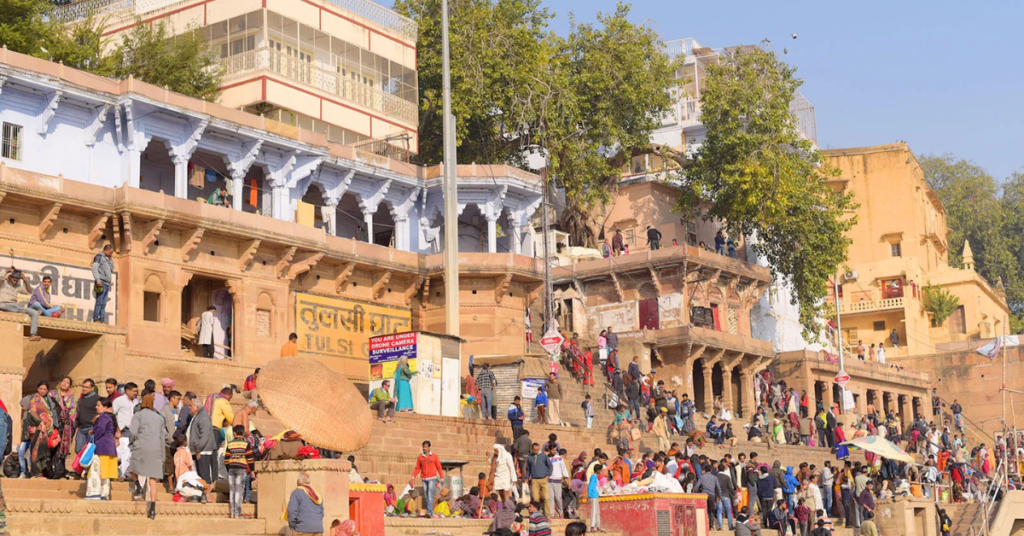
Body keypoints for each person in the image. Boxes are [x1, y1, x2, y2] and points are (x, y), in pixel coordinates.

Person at [129, 393, 167, 519]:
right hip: (155, 449)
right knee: (153, 480)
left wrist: (133, 441)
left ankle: (138, 486)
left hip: (141, 446)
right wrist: (162, 457)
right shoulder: (159, 418)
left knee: (132, 468)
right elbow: (162, 438)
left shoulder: (138, 415)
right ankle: (152, 509)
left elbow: (133, 432)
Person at [84, 397, 118, 500]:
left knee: (96, 471)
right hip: (109, 448)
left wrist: (94, 432)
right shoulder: (110, 417)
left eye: (98, 405)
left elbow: (101, 429)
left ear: (105, 407)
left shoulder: (103, 417)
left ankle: (94, 493)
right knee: (105, 472)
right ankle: (104, 494)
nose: (96, 407)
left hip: (101, 447)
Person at [188, 398, 217, 503]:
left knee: (205, 474)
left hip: (204, 450)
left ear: (196, 407)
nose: (189, 408)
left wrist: (199, 449)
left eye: (191, 406)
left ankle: (207, 495)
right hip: (200, 450)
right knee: (200, 473)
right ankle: (203, 494)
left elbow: (204, 435)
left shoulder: (203, 417)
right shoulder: (198, 416)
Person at [0, 268, 41, 341]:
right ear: (10, 277)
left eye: (17, 280)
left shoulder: (18, 287)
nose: (15, 282)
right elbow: (1, 277)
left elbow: (29, 292)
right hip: (3, 304)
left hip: (14, 306)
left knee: (34, 312)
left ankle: (33, 334)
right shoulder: (3, 283)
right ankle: (16, 311)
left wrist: (25, 280)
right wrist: (7, 271)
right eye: (14, 280)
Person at [225, 424, 254, 518]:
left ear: (234, 433)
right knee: (239, 491)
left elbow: (226, 459)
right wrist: (252, 470)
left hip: (231, 468)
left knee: (232, 490)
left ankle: (232, 513)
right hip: (241, 468)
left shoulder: (230, 444)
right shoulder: (246, 444)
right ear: (243, 433)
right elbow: (249, 458)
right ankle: (237, 513)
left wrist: (228, 468)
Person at [112, 382, 137, 478]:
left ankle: (127, 474)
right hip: (123, 430)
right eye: (134, 391)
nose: (135, 393)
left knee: (130, 453)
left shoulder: (136, 402)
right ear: (127, 391)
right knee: (122, 452)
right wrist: (117, 430)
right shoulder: (119, 400)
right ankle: (120, 474)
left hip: (133, 431)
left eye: (136, 391)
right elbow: (113, 415)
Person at [49, 376, 76, 461]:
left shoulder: (71, 397)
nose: (64, 383)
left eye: (67, 383)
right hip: (52, 423)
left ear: (69, 386)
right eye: (63, 381)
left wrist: (65, 418)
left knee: (61, 446)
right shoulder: (51, 394)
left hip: (65, 425)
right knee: (51, 444)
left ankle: (60, 468)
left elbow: (72, 411)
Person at [411, 440, 443, 511]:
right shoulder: (420, 457)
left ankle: (429, 511)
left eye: (425, 447)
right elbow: (417, 468)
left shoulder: (434, 456)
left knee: (429, 494)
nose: (424, 448)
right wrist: (413, 477)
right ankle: (430, 510)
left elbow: (439, 467)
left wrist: (442, 478)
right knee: (426, 495)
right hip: (424, 479)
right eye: (423, 447)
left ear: (429, 447)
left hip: (432, 478)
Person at [527, 443, 552, 517]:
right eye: (534, 450)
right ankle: (537, 515)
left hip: (543, 479)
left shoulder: (543, 456)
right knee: (535, 499)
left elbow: (550, 465)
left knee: (546, 498)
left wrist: (548, 475)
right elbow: (528, 469)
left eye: (537, 450)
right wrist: (526, 478)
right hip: (534, 480)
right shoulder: (529, 457)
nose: (536, 451)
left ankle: (547, 515)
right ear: (532, 449)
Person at [75, 379, 99, 455]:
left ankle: (88, 467)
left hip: (91, 428)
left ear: (92, 388)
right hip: (81, 429)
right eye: (83, 387)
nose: (84, 389)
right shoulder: (81, 399)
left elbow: (101, 413)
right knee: (78, 450)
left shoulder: (97, 398)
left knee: (90, 451)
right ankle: (83, 466)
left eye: (86, 387)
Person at [91, 244, 114, 323]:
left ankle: (102, 320)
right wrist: (98, 280)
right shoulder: (98, 257)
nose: (111, 254)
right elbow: (94, 269)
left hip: (107, 284)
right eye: (110, 252)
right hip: (101, 282)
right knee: (99, 302)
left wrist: (110, 259)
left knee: (103, 304)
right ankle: (96, 319)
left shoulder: (106, 259)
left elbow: (111, 269)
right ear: (106, 250)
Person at [549, 446, 569, 519]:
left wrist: (566, 478)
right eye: (552, 450)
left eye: (555, 450)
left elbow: (563, 468)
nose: (554, 451)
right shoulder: (547, 458)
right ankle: (551, 514)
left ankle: (560, 513)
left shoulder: (560, 459)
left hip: (557, 480)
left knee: (558, 498)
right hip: (549, 480)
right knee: (550, 498)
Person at [716, 463, 736, 530]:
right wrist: (734, 494)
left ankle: (720, 526)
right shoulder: (727, 477)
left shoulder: (716, 476)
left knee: (719, 511)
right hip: (726, 495)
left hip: (718, 495)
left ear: (718, 469)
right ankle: (730, 525)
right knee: (728, 511)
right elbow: (730, 488)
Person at [588, 464, 604, 533]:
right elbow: (590, 486)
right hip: (593, 496)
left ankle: (597, 526)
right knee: (594, 511)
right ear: (598, 470)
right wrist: (589, 495)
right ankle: (592, 526)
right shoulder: (593, 476)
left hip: (596, 496)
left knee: (597, 512)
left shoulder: (596, 477)